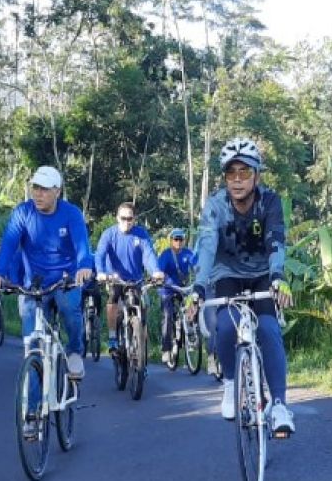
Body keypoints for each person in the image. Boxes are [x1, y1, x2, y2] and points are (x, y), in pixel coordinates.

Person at [193, 137, 295, 436]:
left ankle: (278, 405)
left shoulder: (270, 201)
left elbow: (276, 239)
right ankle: (229, 384)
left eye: (245, 172)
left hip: (263, 272)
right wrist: (199, 288)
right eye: (230, 173)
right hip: (227, 274)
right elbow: (208, 247)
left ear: (257, 175)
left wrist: (277, 277)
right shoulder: (215, 205)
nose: (237, 180)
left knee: (268, 328)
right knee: (225, 325)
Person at [0, 166, 94, 378]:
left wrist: (84, 266)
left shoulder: (71, 213)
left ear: (57, 191)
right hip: (34, 284)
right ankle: (33, 410)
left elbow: (82, 245)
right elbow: (9, 244)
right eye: (35, 187)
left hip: (66, 280)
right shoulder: (23, 212)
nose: (38, 193)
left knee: (70, 309)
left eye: (44, 189)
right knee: (33, 347)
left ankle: (74, 352)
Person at [94, 202, 164, 353]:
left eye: (130, 218)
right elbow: (100, 254)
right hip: (115, 278)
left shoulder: (141, 234)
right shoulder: (109, 234)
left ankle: (142, 349)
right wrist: (100, 272)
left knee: (143, 308)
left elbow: (148, 255)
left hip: (136, 280)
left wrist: (156, 271)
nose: (126, 221)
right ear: (117, 218)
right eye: (123, 218)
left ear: (134, 219)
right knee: (113, 299)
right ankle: (113, 337)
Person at [157, 228, 196, 363]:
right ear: (171, 240)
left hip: (183, 289)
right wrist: (159, 278)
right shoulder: (165, 255)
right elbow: (158, 271)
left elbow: (197, 265)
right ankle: (166, 349)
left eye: (180, 239)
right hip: (167, 289)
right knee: (167, 315)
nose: (178, 242)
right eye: (176, 239)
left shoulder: (188, 253)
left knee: (194, 305)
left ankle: (191, 335)